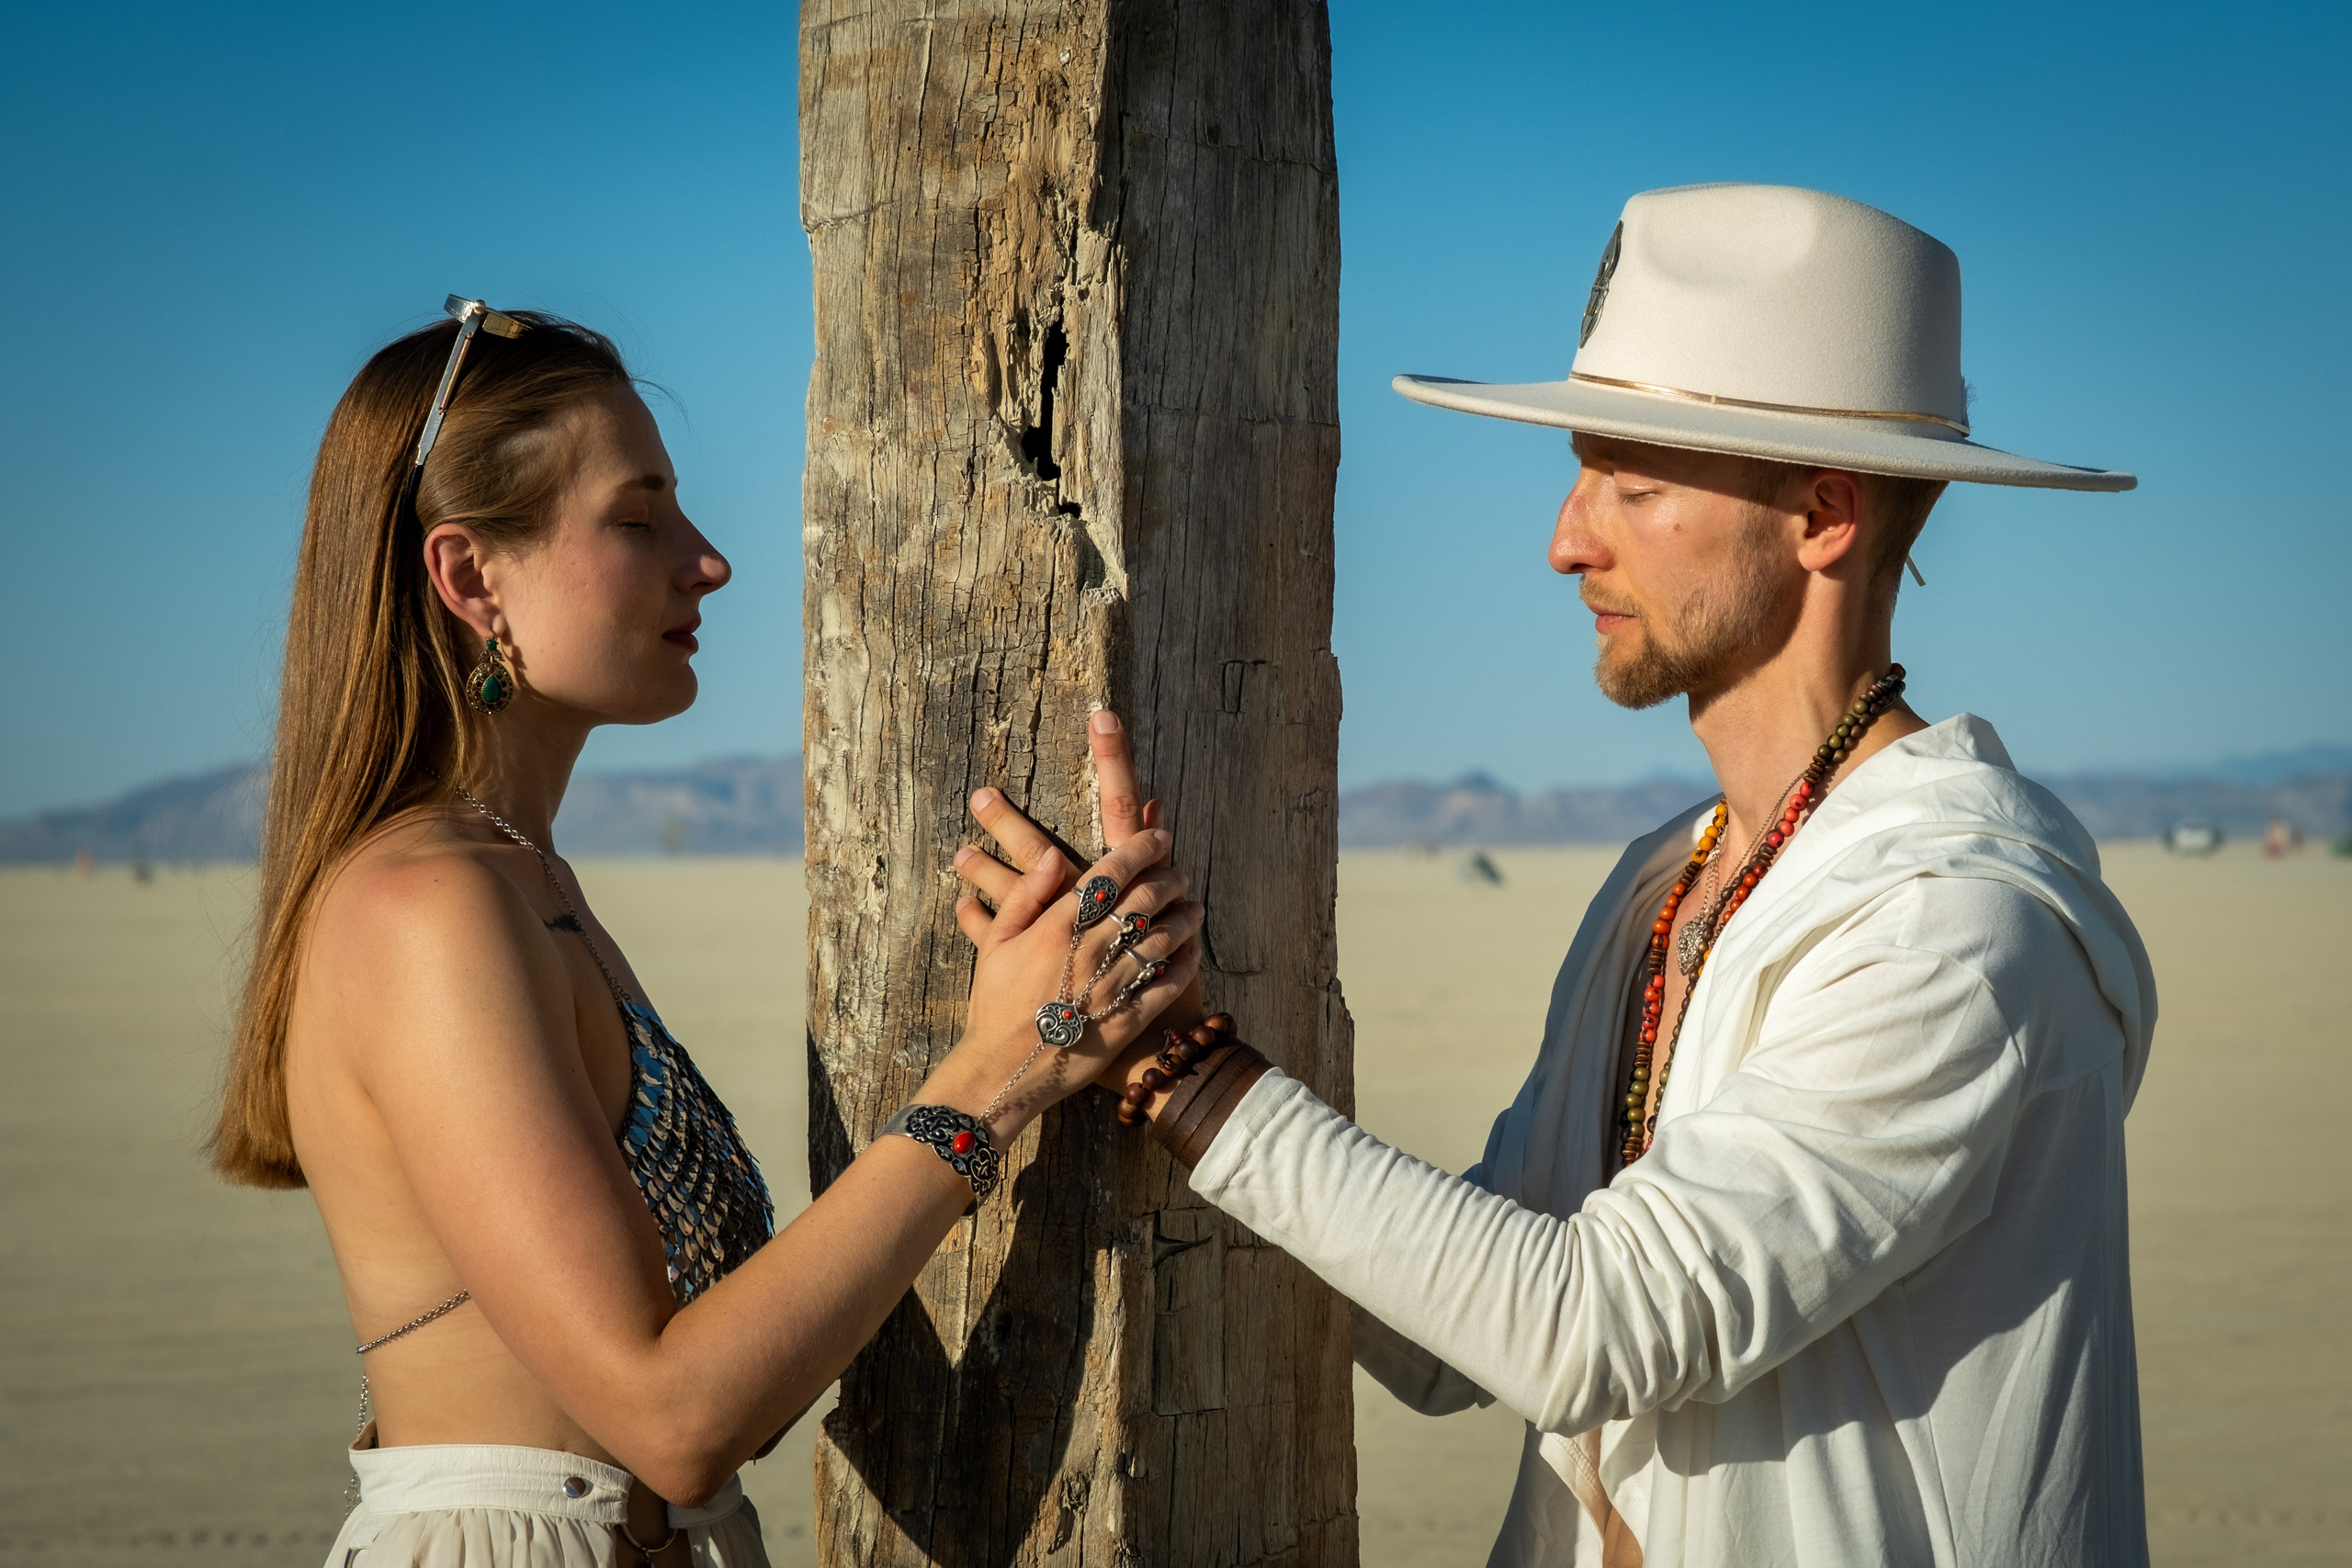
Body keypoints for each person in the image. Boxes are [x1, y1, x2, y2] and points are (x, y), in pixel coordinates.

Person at [956, 186, 2159, 1565]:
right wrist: (1135, 983)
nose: (1566, 538)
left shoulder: (1963, 924)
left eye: (1634, 485)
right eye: (1582, 471)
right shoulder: (1670, 882)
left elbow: (1589, 1325)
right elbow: (1451, 1339)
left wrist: (1177, 1066)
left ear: (1825, 514)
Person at [209, 299, 1204, 1567]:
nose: (708, 558)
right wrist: (1001, 1070)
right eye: (638, 518)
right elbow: (674, 1415)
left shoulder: (518, 879)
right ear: (469, 576)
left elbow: (743, 1397)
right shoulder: (427, 909)